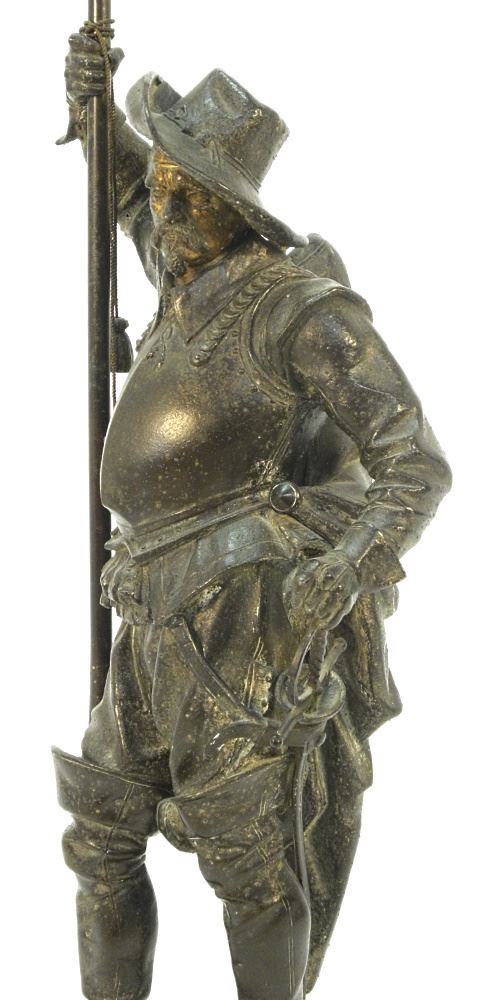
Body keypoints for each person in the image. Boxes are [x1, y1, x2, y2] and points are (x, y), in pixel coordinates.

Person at [53, 31, 452, 1000]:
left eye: (185, 196)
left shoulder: (296, 311)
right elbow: (123, 192)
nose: (162, 211)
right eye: (162, 188)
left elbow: (414, 461)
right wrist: (94, 106)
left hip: (236, 624)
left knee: (248, 861)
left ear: (232, 210)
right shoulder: (182, 270)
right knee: (102, 833)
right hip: (145, 615)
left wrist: (342, 569)